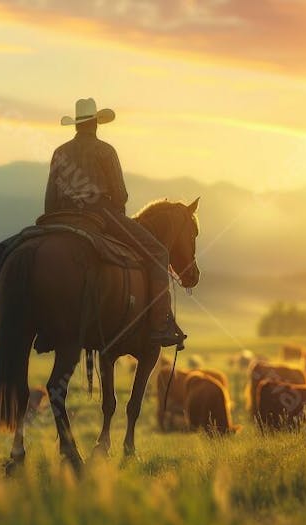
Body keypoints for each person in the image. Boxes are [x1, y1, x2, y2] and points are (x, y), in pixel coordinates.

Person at [44, 98, 186, 349]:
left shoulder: (60, 152)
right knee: (158, 252)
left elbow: (50, 199)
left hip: (60, 215)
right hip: (99, 213)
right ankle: (159, 325)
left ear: (77, 125)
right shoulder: (105, 151)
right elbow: (120, 195)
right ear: (96, 124)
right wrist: (115, 215)